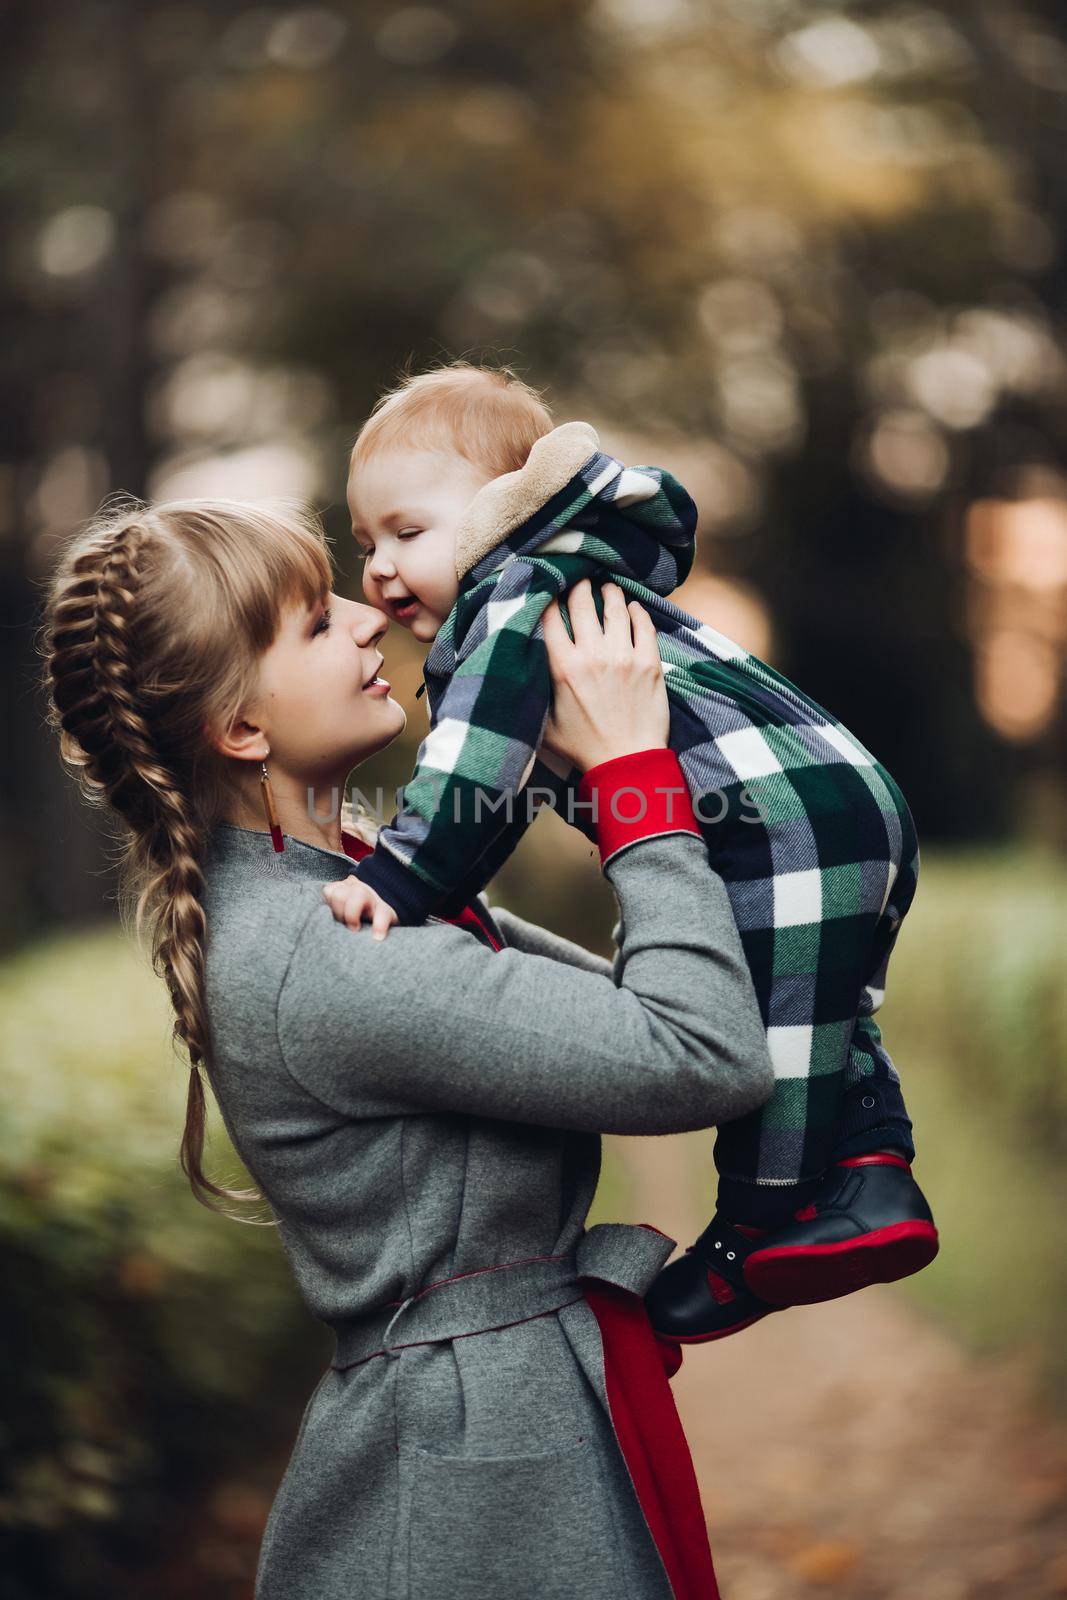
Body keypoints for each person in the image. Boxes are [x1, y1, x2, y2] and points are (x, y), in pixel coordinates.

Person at [40, 495, 778, 1600]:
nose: (364, 616)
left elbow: (654, 1011)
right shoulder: (324, 952)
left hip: (498, 1434)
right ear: (241, 728)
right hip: (471, 1492)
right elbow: (697, 1051)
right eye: (308, 621)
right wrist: (631, 771)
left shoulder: (355, 888)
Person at [339, 361, 940, 1342]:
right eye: (366, 541)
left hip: (773, 827)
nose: (376, 567)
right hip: (845, 802)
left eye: (407, 532)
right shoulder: (577, 577)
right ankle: (873, 1174)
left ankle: (761, 1227)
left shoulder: (512, 588)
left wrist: (401, 874)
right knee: (810, 1003)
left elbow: (475, 770)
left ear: (506, 505)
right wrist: (445, 885)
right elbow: (509, 794)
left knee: (767, 1026)